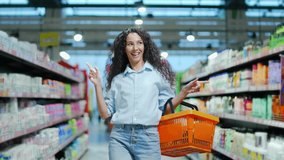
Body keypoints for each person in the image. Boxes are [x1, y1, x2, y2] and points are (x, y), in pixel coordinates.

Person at [87, 27, 200, 160]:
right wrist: (98, 85)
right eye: (130, 44)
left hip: (148, 137)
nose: (135, 48)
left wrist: (183, 93)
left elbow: (166, 109)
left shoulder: (157, 76)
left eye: (139, 43)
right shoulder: (117, 80)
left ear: (145, 46)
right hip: (120, 138)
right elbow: (105, 113)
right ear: (124, 49)